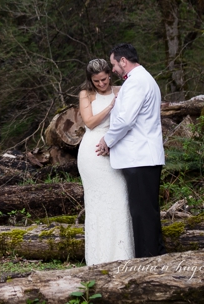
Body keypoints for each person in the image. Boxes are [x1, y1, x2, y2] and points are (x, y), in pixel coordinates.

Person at [95, 42, 164, 258]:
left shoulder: (136, 83)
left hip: (140, 157)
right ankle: (150, 256)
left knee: (143, 213)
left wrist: (108, 140)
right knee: (145, 212)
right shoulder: (142, 80)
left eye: (114, 64)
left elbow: (125, 120)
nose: (113, 69)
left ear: (123, 61)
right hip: (142, 157)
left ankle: (148, 259)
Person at [76, 58, 133, 264]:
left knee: (120, 198)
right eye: (96, 81)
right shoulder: (86, 94)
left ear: (110, 74)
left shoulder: (121, 89)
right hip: (92, 152)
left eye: (104, 79)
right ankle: (98, 258)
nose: (101, 84)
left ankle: (121, 255)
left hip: (114, 147)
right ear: (90, 80)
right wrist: (110, 106)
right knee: (97, 203)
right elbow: (89, 122)